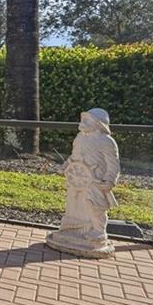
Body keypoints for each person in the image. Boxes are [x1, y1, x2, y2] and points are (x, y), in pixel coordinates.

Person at [47, 108, 120, 258]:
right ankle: (71, 230)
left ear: (99, 124)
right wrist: (67, 165)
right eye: (83, 119)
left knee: (95, 205)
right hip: (77, 180)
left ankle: (98, 233)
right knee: (73, 205)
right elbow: (74, 156)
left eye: (87, 120)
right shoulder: (79, 138)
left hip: (95, 182)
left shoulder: (106, 141)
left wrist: (110, 180)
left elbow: (113, 164)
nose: (83, 123)